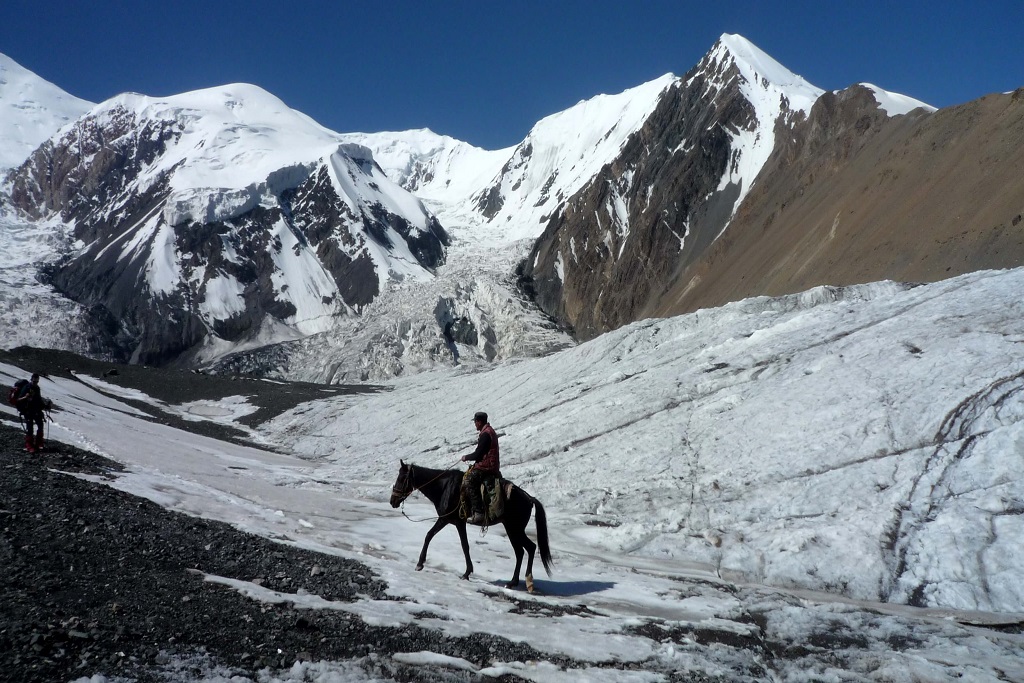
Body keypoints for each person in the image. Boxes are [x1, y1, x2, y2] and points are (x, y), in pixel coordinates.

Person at [461, 411, 500, 524]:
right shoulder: (489, 432)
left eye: (475, 422)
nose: (475, 424)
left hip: (486, 467)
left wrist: (466, 457)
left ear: (479, 421)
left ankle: (478, 512)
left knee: (469, 481)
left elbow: (478, 454)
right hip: (490, 465)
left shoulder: (486, 434)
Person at [16, 373, 48, 453]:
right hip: (28, 410)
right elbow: (18, 399)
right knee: (30, 428)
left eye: (36, 381)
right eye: (34, 381)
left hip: (36, 410)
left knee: (40, 425)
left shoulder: (37, 388)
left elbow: (38, 399)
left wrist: (44, 406)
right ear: (31, 379)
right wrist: (25, 397)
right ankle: (29, 445)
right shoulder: (26, 387)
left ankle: (38, 443)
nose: (35, 383)